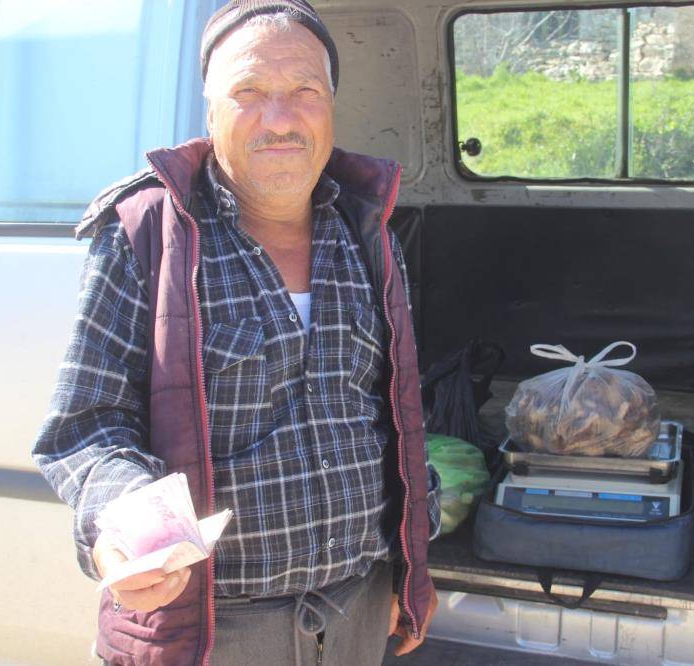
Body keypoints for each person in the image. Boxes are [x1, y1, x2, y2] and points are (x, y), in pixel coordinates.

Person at [32, 1, 441, 664]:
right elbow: (86, 428)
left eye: (304, 90)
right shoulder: (148, 232)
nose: (279, 119)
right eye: (248, 91)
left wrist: (408, 568)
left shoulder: (368, 232)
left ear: (331, 104)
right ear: (210, 109)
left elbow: (395, 417)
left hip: (358, 611)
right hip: (211, 629)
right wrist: (127, 528)